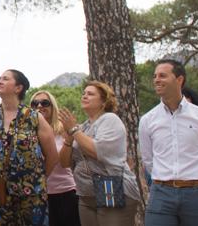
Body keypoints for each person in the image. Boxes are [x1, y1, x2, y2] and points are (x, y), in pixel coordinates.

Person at [139, 59, 198, 225]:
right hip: (161, 193)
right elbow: (149, 160)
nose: (156, 79)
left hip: (197, 193)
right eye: (155, 76)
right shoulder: (147, 120)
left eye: (163, 75)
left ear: (179, 80)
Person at [57, 80, 141, 226]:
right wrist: (69, 139)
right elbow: (64, 163)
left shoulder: (110, 120)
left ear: (103, 101)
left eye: (90, 94)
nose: (84, 96)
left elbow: (97, 151)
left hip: (110, 187)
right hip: (85, 195)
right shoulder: (82, 127)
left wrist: (74, 131)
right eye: (83, 93)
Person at [0, 70, 58, 226]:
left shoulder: (34, 117)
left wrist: (37, 181)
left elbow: (52, 156)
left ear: (18, 88)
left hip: (31, 195)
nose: (0, 81)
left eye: (5, 79)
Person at [29, 90, 79, 226]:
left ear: (53, 107)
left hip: (64, 193)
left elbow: (67, 162)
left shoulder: (63, 131)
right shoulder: (26, 135)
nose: (39, 106)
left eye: (45, 103)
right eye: (34, 103)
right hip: (36, 195)